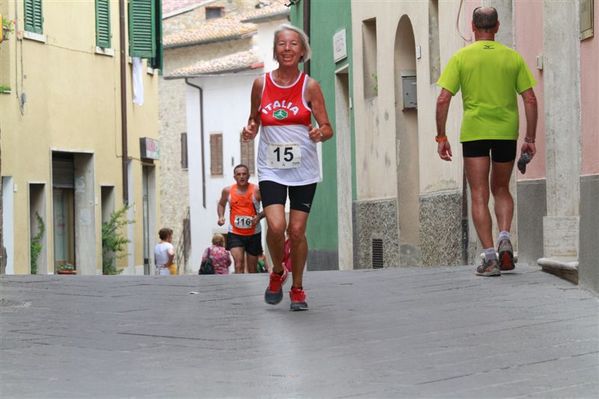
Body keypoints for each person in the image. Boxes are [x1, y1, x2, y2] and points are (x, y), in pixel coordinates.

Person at [435, 6, 538, 277]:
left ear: (472, 26)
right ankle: (505, 236)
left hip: (475, 132)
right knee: (501, 188)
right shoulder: (512, 58)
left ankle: (490, 257)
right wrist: (530, 138)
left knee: (479, 193)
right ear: (497, 26)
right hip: (506, 131)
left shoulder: (461, 58)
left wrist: (441, 135)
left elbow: (444, 98)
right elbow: (529, 98)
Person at [241, 24, 333, 310]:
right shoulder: (261, 84)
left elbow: (327, 127)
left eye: (294, 44)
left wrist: (320, 133)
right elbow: (254, 120)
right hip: (271, 168)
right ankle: (278, 271)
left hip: (304, 168)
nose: (288, 49)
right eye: (282, 44)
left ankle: (297, 287)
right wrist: (250, 130)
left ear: (303, 51)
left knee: (296, 231)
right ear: (275, 51)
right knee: (276, 225)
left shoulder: (310, 86)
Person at [217, 164, 264, 274]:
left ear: (248, 176)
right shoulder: (227, 191)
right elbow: (221, 204)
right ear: (234, 177)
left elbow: (269, 207)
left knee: (252, 268)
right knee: (239, 264)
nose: (241, 176)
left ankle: (252, 290)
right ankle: (240, 289)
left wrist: (259, 216)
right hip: (235, 233)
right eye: (238, 174)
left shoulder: (257, 190)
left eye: (244, 174)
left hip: (254, 233)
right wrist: (221, 217)